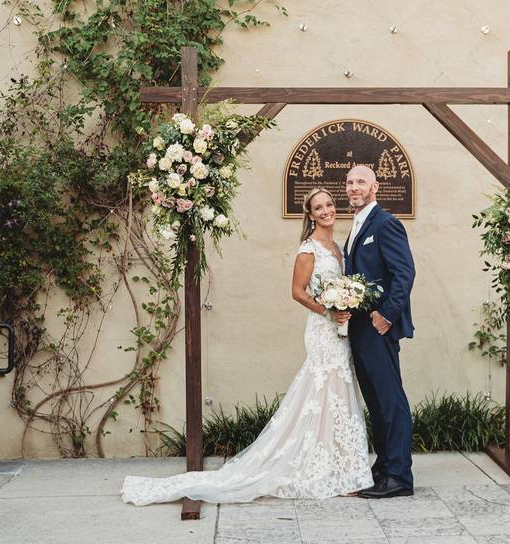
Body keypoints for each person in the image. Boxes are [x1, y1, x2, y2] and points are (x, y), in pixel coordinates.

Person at [121, 188, 372, 506]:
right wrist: (329, 310)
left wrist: (344, 305)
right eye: (318, 207)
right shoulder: (309, 250)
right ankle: (331, 471)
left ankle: (340, 469)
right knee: (326, 392)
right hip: (322, 330)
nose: (326, 211)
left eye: (329, 205)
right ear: (309, 215)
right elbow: (297, 291)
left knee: (337, 394)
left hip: (340, 331)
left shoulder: (337, 247)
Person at [337, 165, 416, 499]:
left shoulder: (385, 223)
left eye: (361, 182)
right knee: (376, 403)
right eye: (350, 182)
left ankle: (399, 476)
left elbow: (404, 273)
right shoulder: (357, 225)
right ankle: (384, 468)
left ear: (375, 187)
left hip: (378, 327)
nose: (355, 187)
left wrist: (385, 315)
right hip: (359, 328)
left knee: (391, 401)